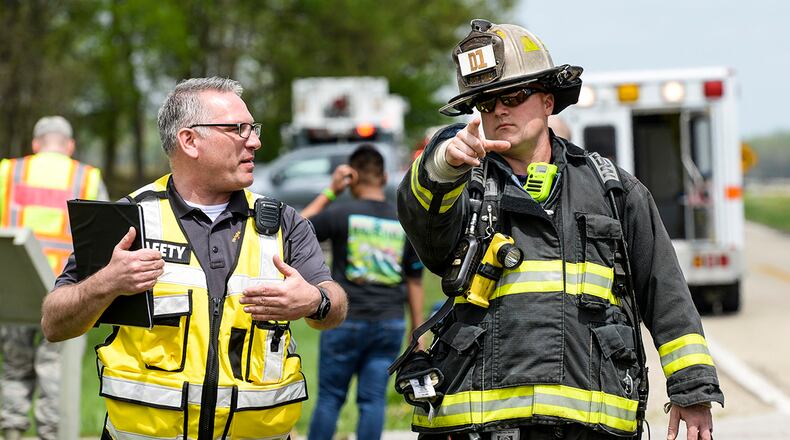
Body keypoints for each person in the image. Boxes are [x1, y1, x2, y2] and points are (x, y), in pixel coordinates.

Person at [395, 20, 722, 440]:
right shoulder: (461, 186)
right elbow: (421, 221)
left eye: (513, 96)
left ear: (548, 102)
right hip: (477, 426)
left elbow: (668, 298)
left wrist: (692, 391)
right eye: (486, 101)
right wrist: (441, 166)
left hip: (590, 424)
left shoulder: (614, 192)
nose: (498, 110)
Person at [40, 77, 348, 440]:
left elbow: (336, 305)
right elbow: (54, 323)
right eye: (239, 129)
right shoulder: (128, 221)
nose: (255, 141)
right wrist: (106, 283)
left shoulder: (283, 222)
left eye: (253, 128)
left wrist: (316, 301)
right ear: (190, 141)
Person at [301, 145, 425, 440]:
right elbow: (415, 280)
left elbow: (296, 228)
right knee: (372, 401)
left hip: (345, 321)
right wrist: (417, 329)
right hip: (389, 323)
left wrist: (331, 191)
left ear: (352, 177)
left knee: (331, 398)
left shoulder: (340, 213)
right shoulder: (403, 221)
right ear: (383, 177)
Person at [0, 116, 107, 440]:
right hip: (63, 292)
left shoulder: (9, 172)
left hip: (15, 288)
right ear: (70, 146)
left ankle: (10, 430)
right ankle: (51, 433)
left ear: (36, 144)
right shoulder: (86, 177)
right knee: (55, 367)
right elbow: (101, 237)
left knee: (12, 364)